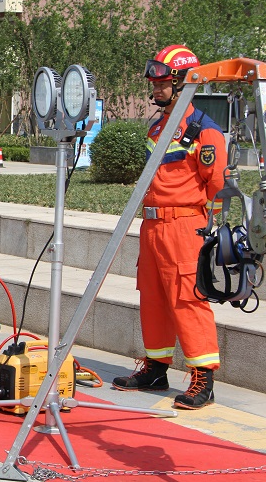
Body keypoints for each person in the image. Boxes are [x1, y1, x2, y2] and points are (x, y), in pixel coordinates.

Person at [112, 45, 227, 409]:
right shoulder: (159, 127)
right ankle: (156, 369)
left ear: (182, 83)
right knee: (154, 297)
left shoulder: (204, 131)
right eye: (154, 83)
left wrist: (204, 228)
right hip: (153, 227)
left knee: (188, 299)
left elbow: (217, 184)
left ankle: (203, 378)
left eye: (162, 83)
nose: (155, 89)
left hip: (184, 227)